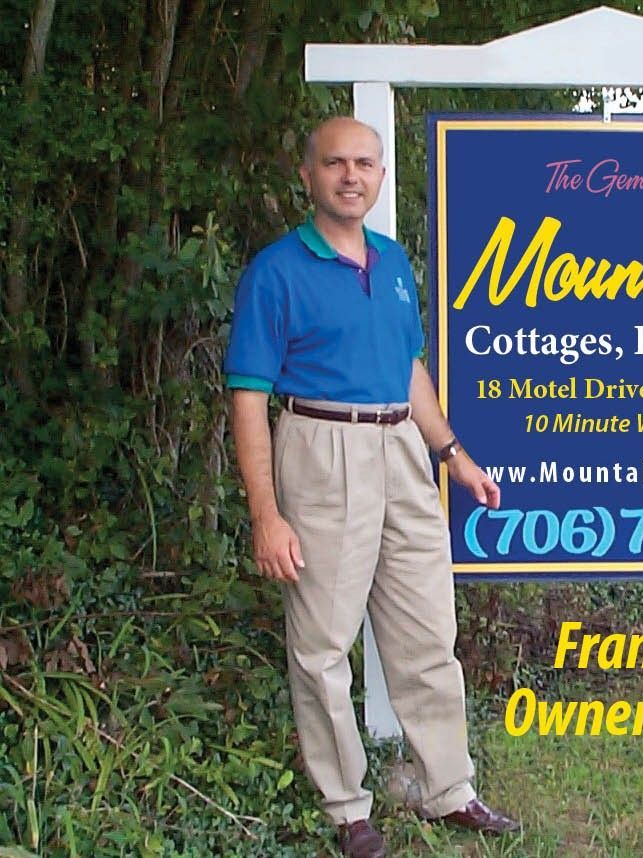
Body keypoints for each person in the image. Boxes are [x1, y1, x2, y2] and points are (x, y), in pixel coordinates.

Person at [223, 116, 520, 858]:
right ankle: (347, 807)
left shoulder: (391, 264)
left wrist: (454, 455)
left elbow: (408, 370)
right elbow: (247, 396)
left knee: (426, 630)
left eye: (364, 163)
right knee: (324, 642)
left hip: (400, 449)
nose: (350, 175)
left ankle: (448, 789)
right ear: (308, 175)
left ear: (381, 176)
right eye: (334, 164)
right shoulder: (276, 271)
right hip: (322, 448)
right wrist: (267, 515)